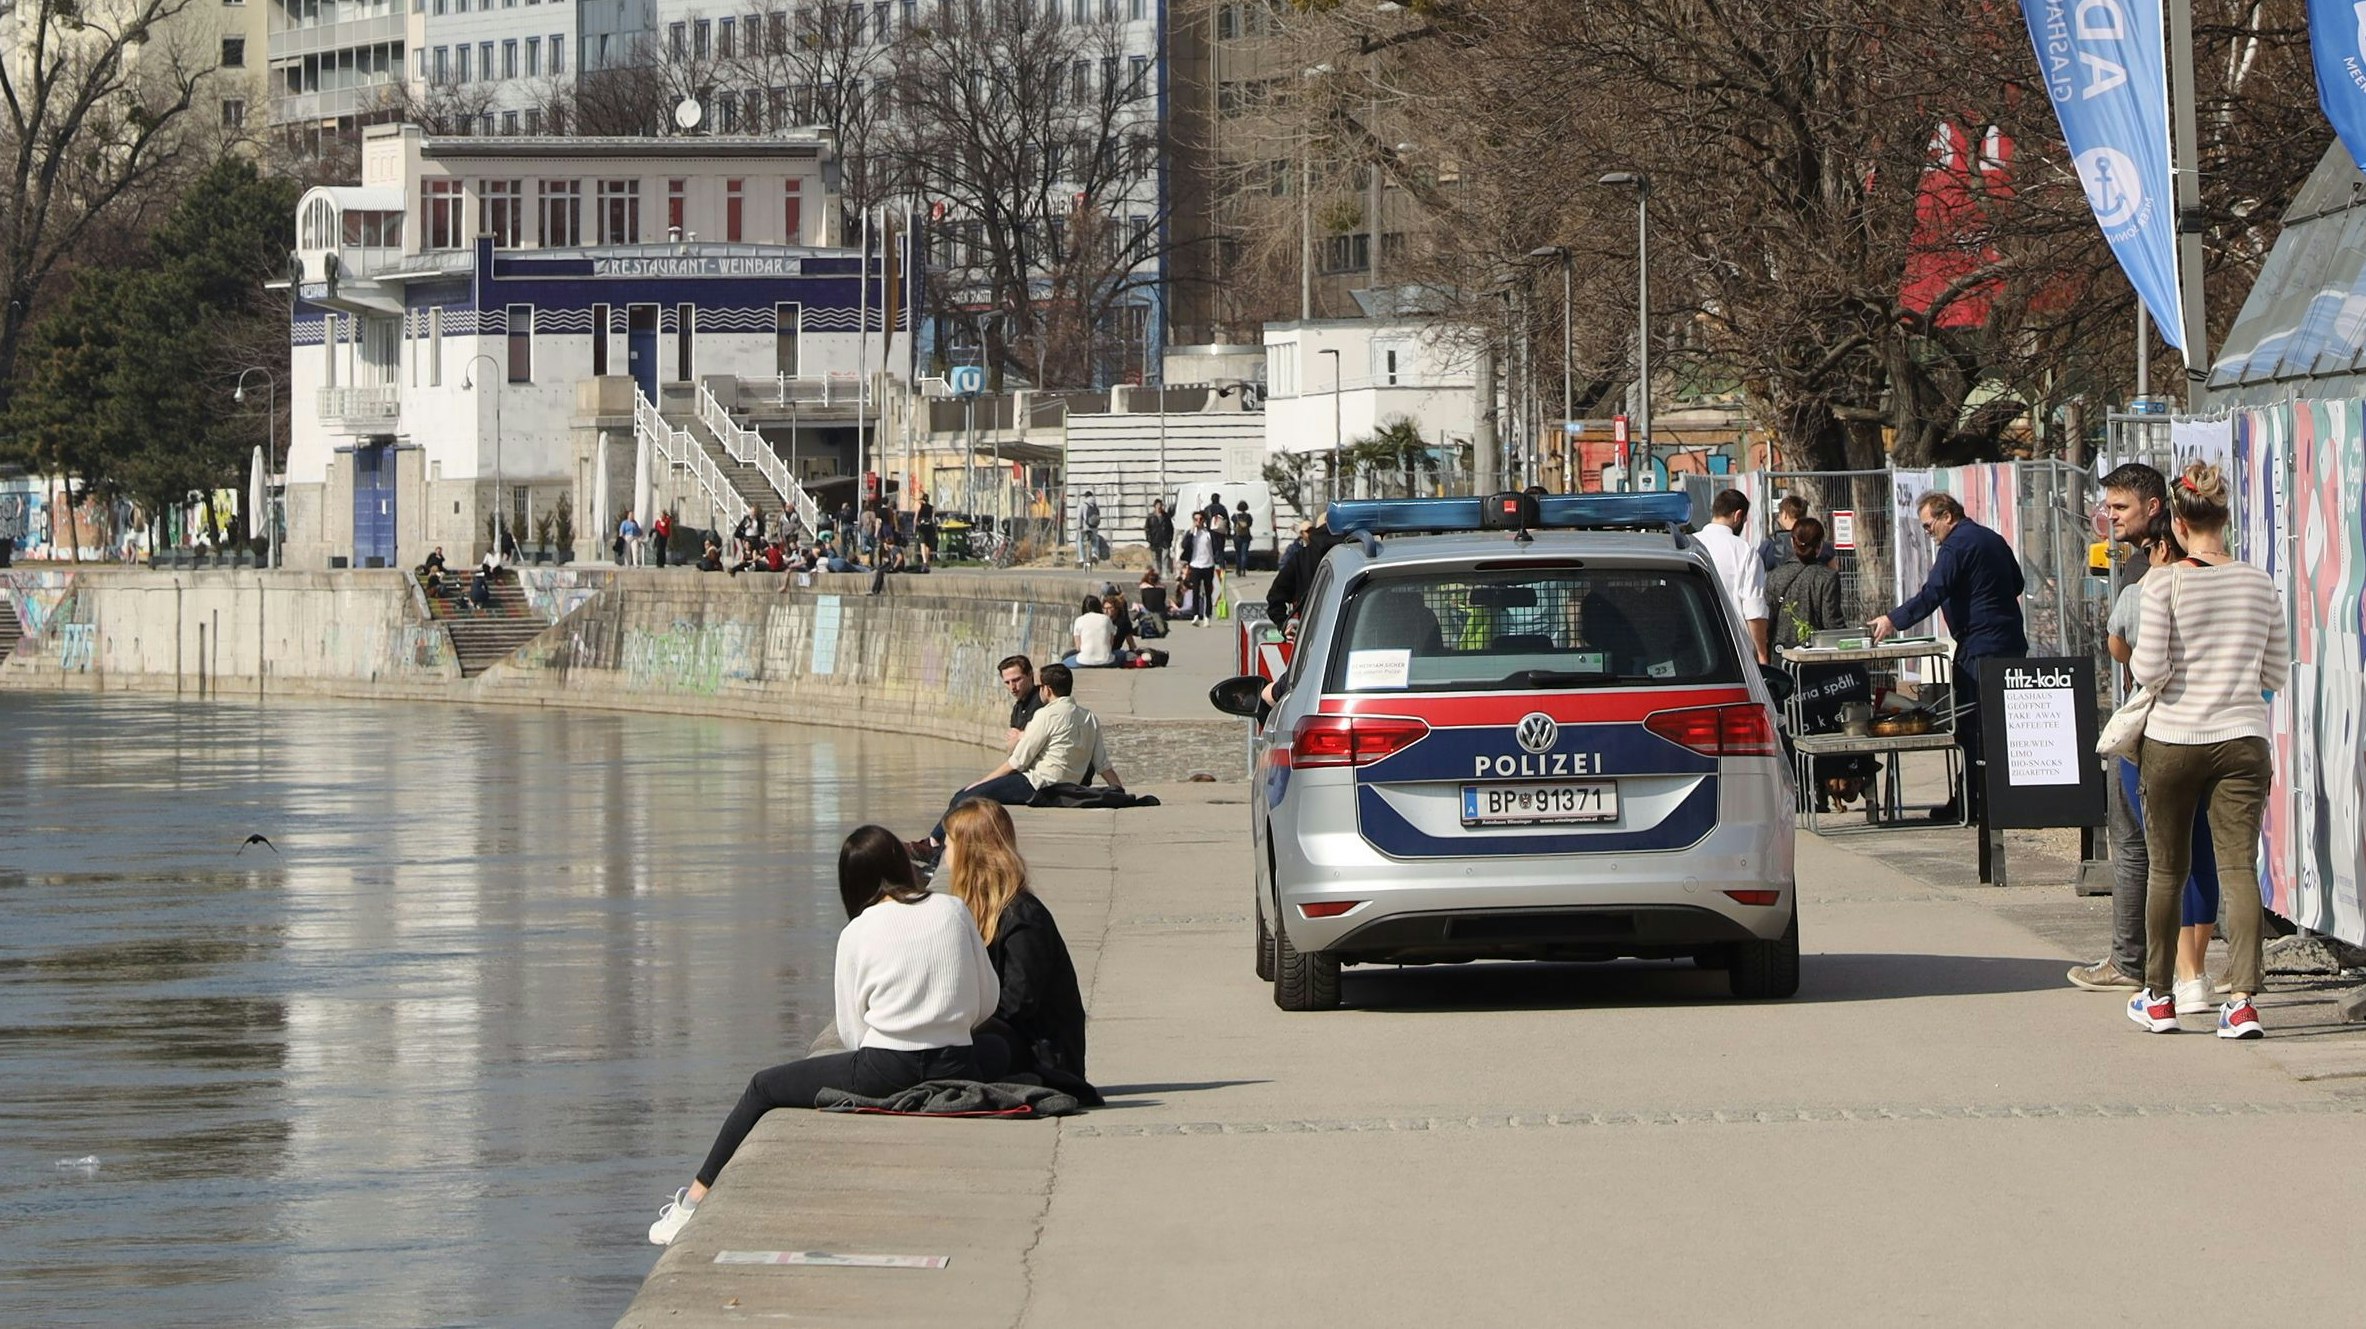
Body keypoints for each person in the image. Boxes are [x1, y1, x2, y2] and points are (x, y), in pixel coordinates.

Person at [644, 825, 1003, 1246]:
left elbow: (853, 1033)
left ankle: (693, 1201)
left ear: (852, 882)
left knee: (763, 1087)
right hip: (958, 1062)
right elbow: (987, 1001)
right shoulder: (952, 909)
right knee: (1002, 1045)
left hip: (885, 1069)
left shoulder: (855, 934)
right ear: (903, 866)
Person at [2125, 463, 2287, 1040]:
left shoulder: (2163, 583)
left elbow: (2149, 669)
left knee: (2167, 869)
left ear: (2174, 520)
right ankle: (2241, 1001)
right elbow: (2276, 670)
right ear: (2225, 516)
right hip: (2243, 738)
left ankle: (2159, 995)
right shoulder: (2259, 582)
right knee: (2239, 868)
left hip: (2175, 738)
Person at [2069, 462, 2171, 994]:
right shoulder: (2203, 560)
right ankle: (2202, 970)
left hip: (2150, 720)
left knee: (2132, 842)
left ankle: (2131, 962)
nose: (2109, 517)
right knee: (2192, 848)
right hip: (2210, 722)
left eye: (2119, 507)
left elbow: (2122, 645)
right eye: (2107, 507)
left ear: (2153, 507)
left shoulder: (2146, 567)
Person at [1867, 491, 2029, 822]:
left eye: (1929, 526)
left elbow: (1932, 593)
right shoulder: (1991, 538)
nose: (1929, 534)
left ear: (1947, 517)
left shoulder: (1956, 546)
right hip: (2010, 641)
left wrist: (1892, 620)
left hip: (1980, 648)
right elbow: (2016, 582)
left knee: (1973, 727)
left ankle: (1971, 803)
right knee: (2006, 725)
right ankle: (2004, 799)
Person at [939, 800, 1091, 1088]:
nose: (945, 853)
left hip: (1046, 1060)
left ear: (968, 852)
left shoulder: (1024, 916)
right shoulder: (982, 911)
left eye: (949, 844)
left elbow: (1018, 1004)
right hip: (1013, 1041)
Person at [909, 664, 1125, 861]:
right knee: (969, 794)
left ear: (1047, 689)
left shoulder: (1046, 715)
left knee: (964, 796)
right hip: (1070, 786)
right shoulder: (1089, 718)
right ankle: (935, 845)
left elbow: (1018, 761)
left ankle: (933, 847)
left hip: (1038, 785)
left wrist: (981, 783)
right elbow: (1102, 763)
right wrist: (1119, 790)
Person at [1768, 517, 1877, 809]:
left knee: (1791, 731)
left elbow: (1768, 626)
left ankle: (1800, 794)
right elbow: (1833, 627)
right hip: (1820, 672)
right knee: (1825, 730)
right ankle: (1833, 786)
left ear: (1792, 543)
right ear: (1819, 547)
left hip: (1783, 669)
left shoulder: (1775, 577)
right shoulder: (1826, 579)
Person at [1695, 489, 1770, 664]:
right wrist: (1762, 653)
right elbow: (1754, 610)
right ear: (1738, 516)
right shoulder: (1745, 552)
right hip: (1735, 652)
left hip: (1695, 648)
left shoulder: (1689, 544)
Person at [1758, 494, 1836, 572]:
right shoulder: (1821, 545)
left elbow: (1757, 572)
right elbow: (1834, 571)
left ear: (1784, 515)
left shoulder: (1769, 546)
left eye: (1779, 515)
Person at [1180, 510, 1221, 627]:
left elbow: (1216, 547)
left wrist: (1218, 561)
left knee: (1208, 592)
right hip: (1195, 564)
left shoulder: (1208, 533)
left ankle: (1207, 616)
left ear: (1204, 520)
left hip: (1208, 565)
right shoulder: (1191, 533)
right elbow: (1184, 545)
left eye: (1200, 519)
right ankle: (1196, 615)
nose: (1198, 522)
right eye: (1196, 519)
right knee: (1196, 591)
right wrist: (1191, 531)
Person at [997, 655, 1044, 746]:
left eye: (1016, 680)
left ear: (1030, 674)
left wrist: (1020, 736)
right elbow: (1010, 746)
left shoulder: (1042, 699)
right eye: (1007, 682)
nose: (1012, 687)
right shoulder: (1017, 708)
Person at [1067, 593, 1119, 668]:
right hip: (1106, 660)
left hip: (1084, 661)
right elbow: (1111, 643)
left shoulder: (1079, 620)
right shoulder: (1106, 619)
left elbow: (1078, 647)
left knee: (1064, 662)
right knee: (1122, 654)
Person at [1143, 500, 1175, 579]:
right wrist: (1149, 539)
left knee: (1165, 557)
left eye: (1160, 506)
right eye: (1157, 506)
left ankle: (1165, 573)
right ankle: (1157, 573)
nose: (1159, 508)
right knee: (1156, 558)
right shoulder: (1150, 517)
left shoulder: (1166, 516)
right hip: (1155, 541)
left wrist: (1170, 539)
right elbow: (1147, 529)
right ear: (1154, 507)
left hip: (1165, 541)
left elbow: (1171, 528)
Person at [1076, 490, 1102, 568]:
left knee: (1079, 540)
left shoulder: (1082, 504)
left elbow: (1079, 516)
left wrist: (1079, 526)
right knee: (1095, 540)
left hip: (1085, 528)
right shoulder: (1096, 505)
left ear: (1085, 497)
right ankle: (1094, 554)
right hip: (1094, 528)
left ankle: (1081, 559)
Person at [1232, 500, 1256, 575]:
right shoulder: (1248, 516)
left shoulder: (1235, 516)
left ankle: (1238, 569)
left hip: (1237, 536)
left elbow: (1233, 522)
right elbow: (1250, 524)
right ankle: (1243, 570)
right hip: (1246, 536)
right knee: (1244, 553)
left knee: (1238, 553)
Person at [916, 497, 938, 569]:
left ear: (922, 500)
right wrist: (935, 529)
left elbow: (916, 518)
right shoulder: (932, 508)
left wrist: (915, 527)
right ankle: (927, 561)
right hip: (929, 527)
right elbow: (933, 519)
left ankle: (924, 561)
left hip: (922, 528)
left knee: (922, 544)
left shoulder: (919, 507)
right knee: (928, 545)